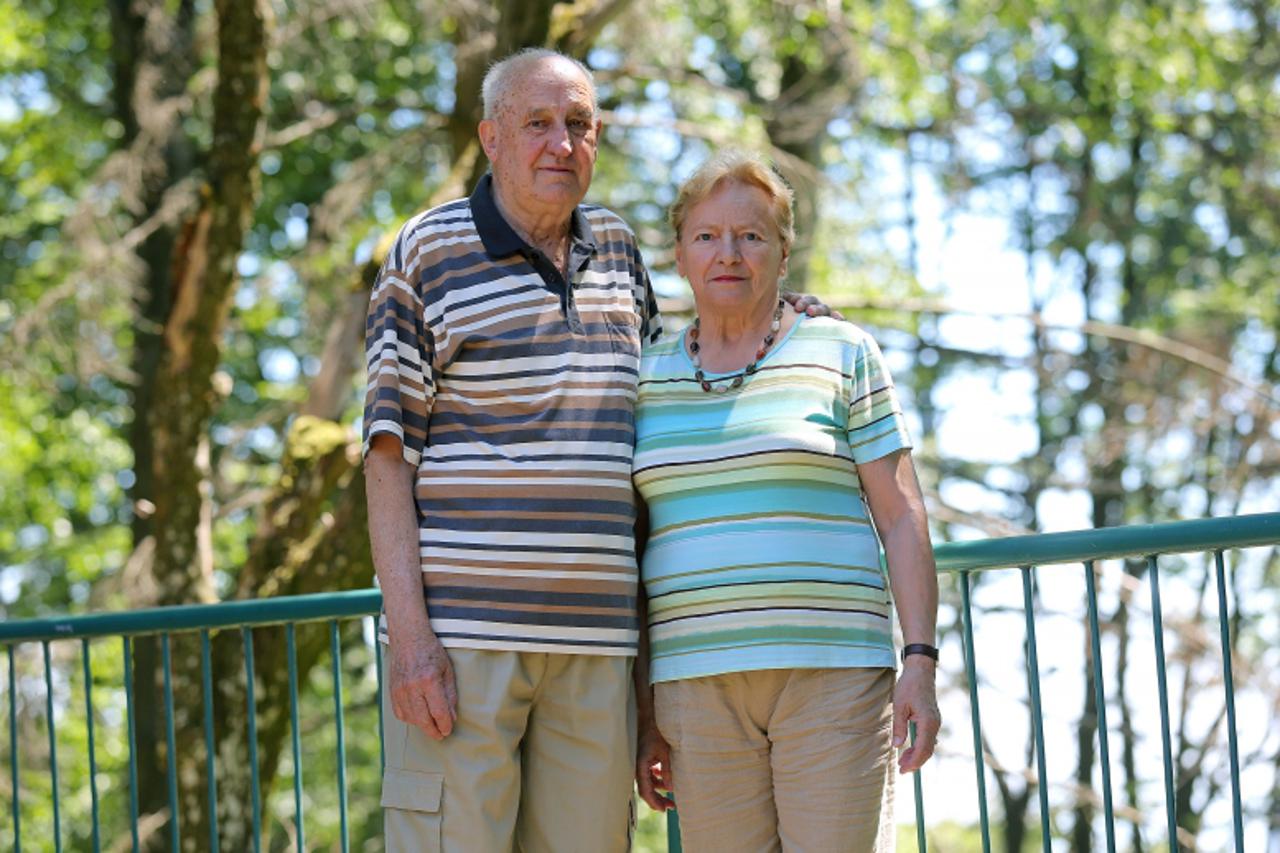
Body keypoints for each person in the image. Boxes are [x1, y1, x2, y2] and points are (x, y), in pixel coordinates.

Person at [363, 50, 832, 852]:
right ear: (490, 138)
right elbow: (385, 458)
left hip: (599, 647)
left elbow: (676, 381)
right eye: (537, 123)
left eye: (578, 124)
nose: (561, 143)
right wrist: (410, 641)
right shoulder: (426, 252)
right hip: (464, 644)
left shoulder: (617, 248)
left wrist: (774, 315)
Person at [632, 149, 941, 852]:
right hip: (694, 684)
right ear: (680, 254)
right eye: (707, 235)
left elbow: (901, 515)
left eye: (752, 235)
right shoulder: (642, 378)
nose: (728, 253)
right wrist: (644, 708)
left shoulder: (842, 351)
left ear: (783, 252)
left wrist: (920, 660)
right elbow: (634, 545)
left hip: (833, 675)